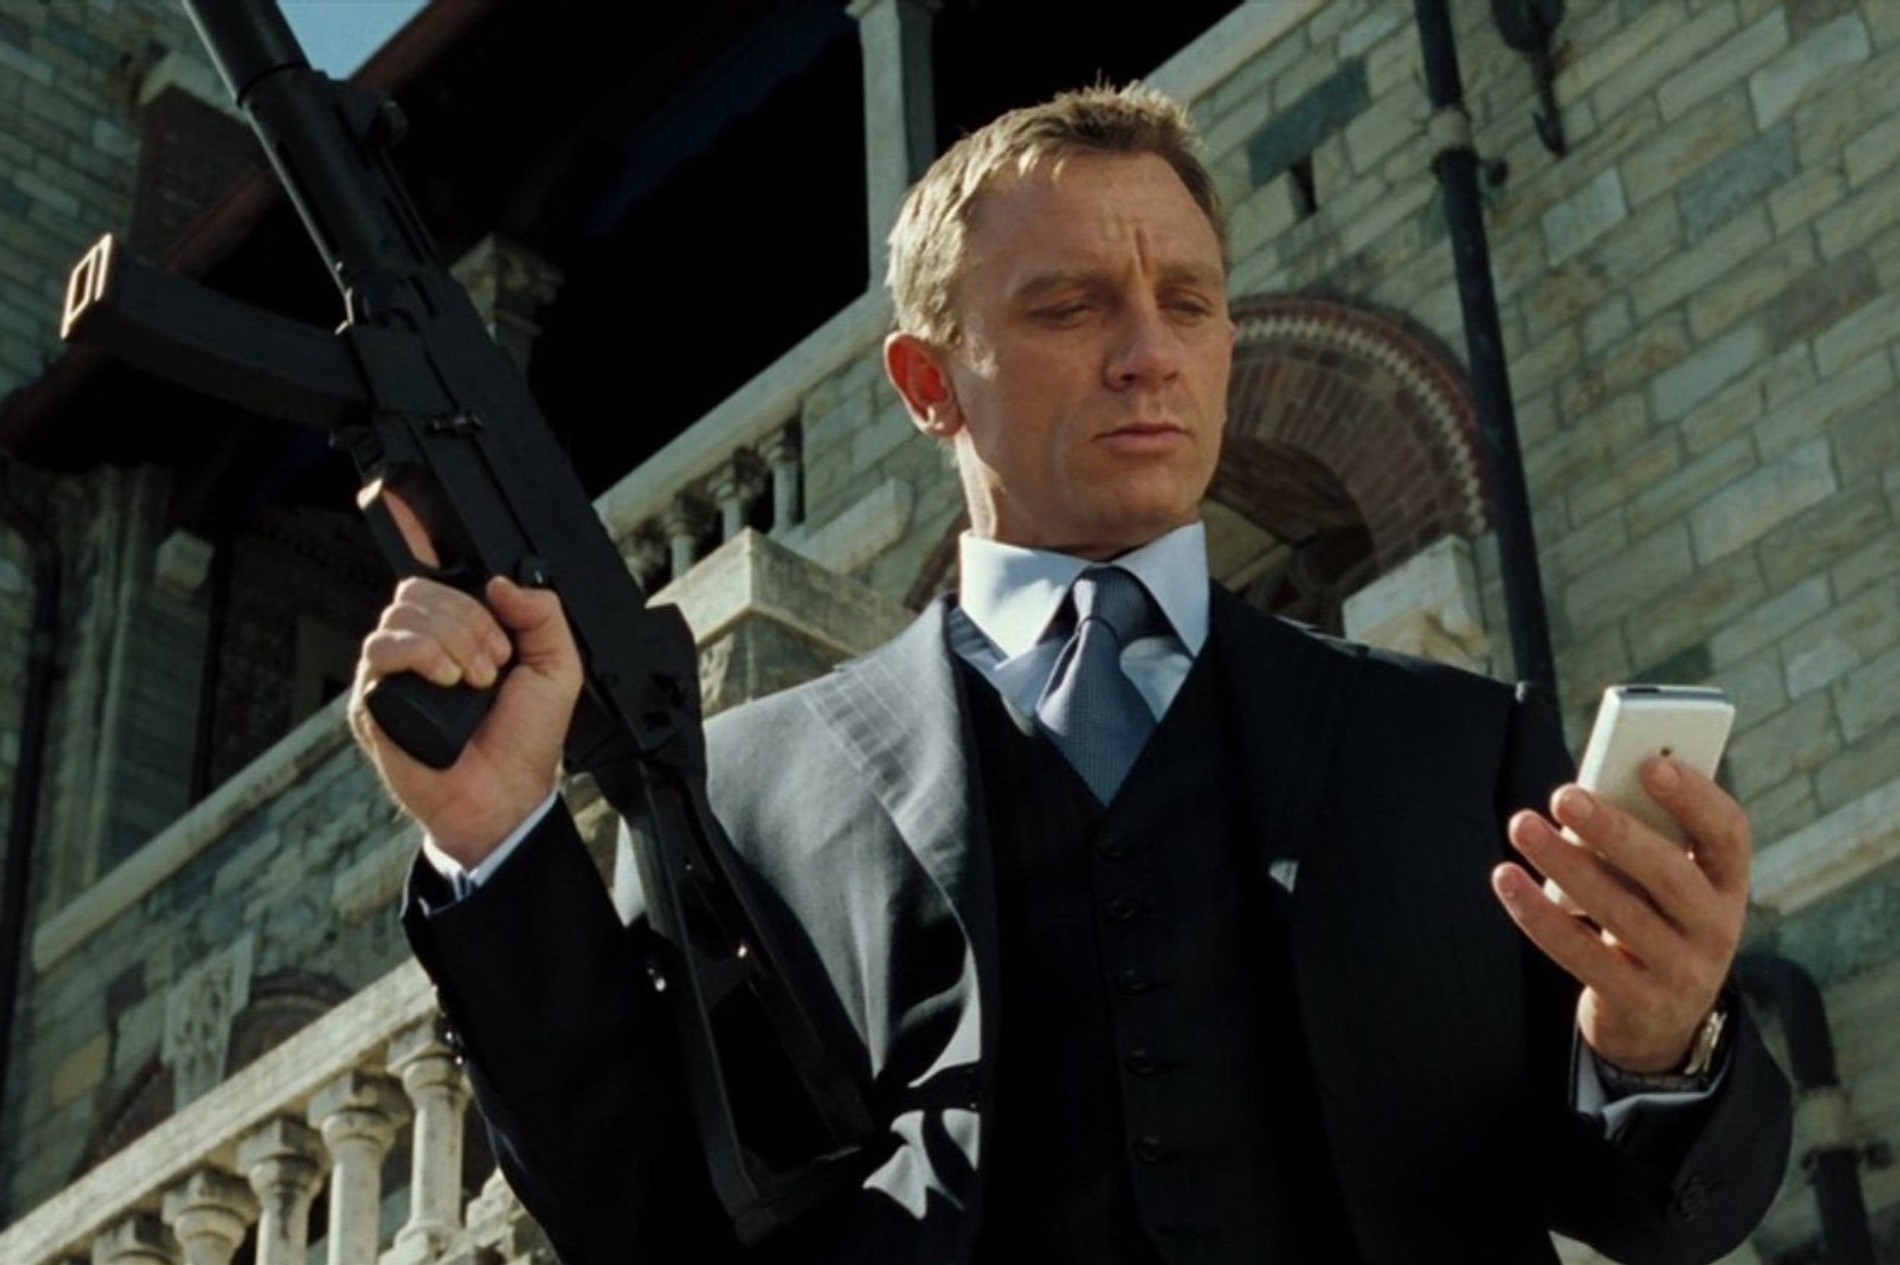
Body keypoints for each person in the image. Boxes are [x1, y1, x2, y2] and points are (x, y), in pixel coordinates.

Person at [353, 85, 1791, 1264]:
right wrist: (493, 841)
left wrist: (1663, 1045)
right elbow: (642, 1217)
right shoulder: (742, 788)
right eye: (1070, 307)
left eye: (1190, 302)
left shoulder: (1455, 744)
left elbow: (1660, 1211)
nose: (1148, 353)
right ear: (930, 384)